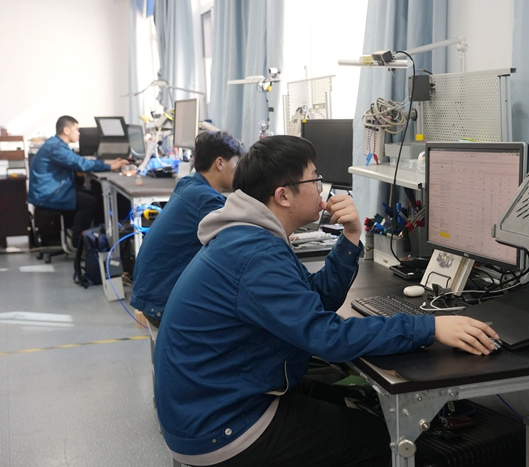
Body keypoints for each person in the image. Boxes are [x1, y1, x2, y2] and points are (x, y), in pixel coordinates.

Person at [154, 135, 500, 467]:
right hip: (220, 427)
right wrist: (430, 327)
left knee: (346, 399)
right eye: (314, 179)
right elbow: (328, 337)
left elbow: (315, 300)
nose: (321, 188)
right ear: (283, 195)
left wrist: (350, 237)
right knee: (378, 440)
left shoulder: (250, 236)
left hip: (211, 402)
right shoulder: (255, 255)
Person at [130, 131, 244, 340]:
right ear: (220, 163)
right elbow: (238, 243)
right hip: (162, 303)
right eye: (237, 164)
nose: (240, 171)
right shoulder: (207, 200)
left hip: (150, 293)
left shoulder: (188, 183)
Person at [28, 115, 129, 247]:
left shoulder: (56, 144)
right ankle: (78, 242)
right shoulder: (56, 147)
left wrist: (109, 162)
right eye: (76, 129)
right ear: (66, 130)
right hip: (48, 194)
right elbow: (81, 164)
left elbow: (79, 161)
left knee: (93, 195)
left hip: (51, 190)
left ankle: (95, 237)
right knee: (89, 202)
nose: (79, 133)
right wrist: (110, 166)